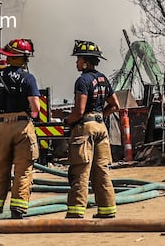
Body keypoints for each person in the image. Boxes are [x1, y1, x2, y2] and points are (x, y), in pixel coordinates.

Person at [0, 38, 41, 220]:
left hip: (1, 126)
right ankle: (17, 211)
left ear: (8, 57)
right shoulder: (28, 78)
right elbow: (36, 107)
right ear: (23, 59)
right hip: (22, 125)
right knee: (23, 170)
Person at [64, 40, 119, 219]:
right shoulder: (103, 79)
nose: (76, 62)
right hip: (101, 127)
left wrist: (68, 121)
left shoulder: (82, 81)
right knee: (101, 170)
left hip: (85, 128)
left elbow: (79, 110)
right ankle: (107, 210)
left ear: (86, 61)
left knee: (80, 170)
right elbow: (115, 105)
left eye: (78, 58)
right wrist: (101, 115)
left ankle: (75, 212)